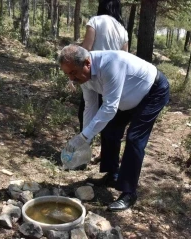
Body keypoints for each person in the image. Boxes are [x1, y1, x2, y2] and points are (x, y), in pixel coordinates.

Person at [59, 45, 170, 211]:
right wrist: (85, 138)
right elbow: (90, 105)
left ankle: (129, 192)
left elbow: (110, 107)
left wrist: (83, 137)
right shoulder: (83, 75)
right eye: (67, 74)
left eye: (73, 73)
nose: (71, 79)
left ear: (87, 63)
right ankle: (112, 175)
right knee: (110, 130)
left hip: (152, 92)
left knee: (134, 139)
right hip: (125, 97)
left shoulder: (111, 64)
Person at [77, 0, 129, 175]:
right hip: (112, 81)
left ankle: (82, 155)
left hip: (91, 76)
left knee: (87, 111)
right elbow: (125, 59)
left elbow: (85, 51)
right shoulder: (123, 30)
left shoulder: (96, 21)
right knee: (110, 122)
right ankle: (108, 164)